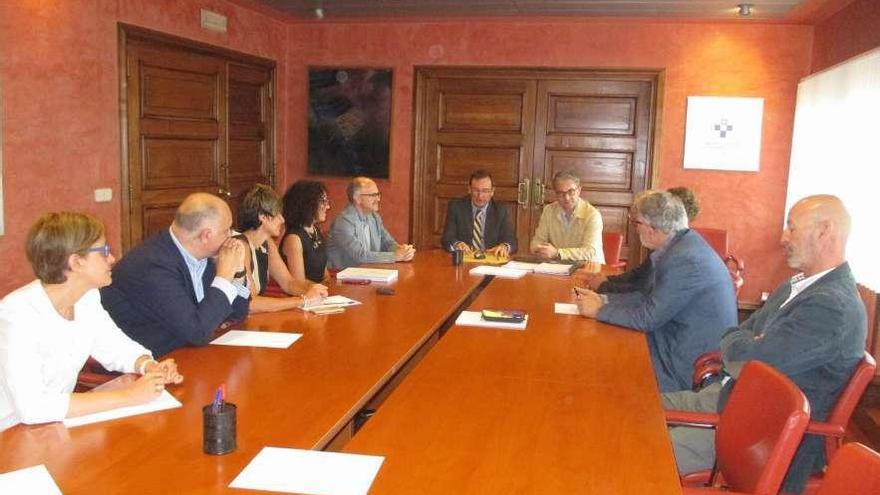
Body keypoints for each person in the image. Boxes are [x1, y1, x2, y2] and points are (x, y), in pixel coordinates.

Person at [662, 195, 865, 494]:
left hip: (762, 436)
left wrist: (749, 343)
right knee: (637, 408)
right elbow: (738, 333)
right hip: (730, 399)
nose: (783, 238)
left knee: (638, 450)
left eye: (791, 228)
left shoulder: (831, 306)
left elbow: (746, 359)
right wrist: (748, 342)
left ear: (824, 231)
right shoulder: (797, 285)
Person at [0, 212, 183, 431]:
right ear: (76, 262)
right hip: (11, 430)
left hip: (53, 425)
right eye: (104, 252)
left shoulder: (87, 297)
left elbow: (115, 346)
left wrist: (149, 366)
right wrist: (128, 396)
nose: (112, 258)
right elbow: (33, 407)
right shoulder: (17, 315)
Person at [574, 190, 737, 392]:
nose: (635, 229)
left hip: (684, 363)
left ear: (653, 228)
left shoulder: (685, 259)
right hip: (673, 340)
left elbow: (648, 318)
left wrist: (599, 310)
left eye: (637, 224)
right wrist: (603, 299)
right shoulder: (682, 246)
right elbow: (648, 297)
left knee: (604, 368)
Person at [100, 193, 250, 357]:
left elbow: (236, 314)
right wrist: (224, 276)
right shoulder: (152, 265)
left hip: (187, 355)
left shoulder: (206, 255)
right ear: (206, 235)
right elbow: (197, 332)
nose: (231, 236)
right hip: (146, 366)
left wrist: (238, 271)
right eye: (226, 230)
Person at [581, 187, 699, 294]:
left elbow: (643, 291)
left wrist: (603, 287)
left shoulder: (679, 254)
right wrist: (607, 279)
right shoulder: (664, 243)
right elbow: (639, 274)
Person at [235, 184, 328, 313]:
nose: (282, 219)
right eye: (277, 214)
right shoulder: (239, 247)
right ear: (262, 216)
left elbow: (288, 283)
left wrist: (316, 289)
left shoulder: (267, 243)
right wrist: (302, 300)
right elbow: (250, 303)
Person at [327, 177, 415, 269]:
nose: (378, 199)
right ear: (357, 198)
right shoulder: (344, 221)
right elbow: (360, 256)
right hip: (342, 276)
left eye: (378, 194)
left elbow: (387, 243)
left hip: (367, 273)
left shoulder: (374, 217)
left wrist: (401, 250)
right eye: (373, 195)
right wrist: (394, 256)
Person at [530, 170, 604, 262]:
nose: (566, 198)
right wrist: (539, 249)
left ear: (579, 190)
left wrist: (557, 253)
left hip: (589, 269)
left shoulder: (592, 215)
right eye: (560, 193)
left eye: (571, 191)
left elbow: (589, 251)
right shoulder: (549, 210)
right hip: (559, 268)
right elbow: (536, 242)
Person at [441, 169, 516, 258]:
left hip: (491, 262)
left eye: (485, 191)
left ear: (492, 191)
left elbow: (512, 241)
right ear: (469, 189)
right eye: (476, 190)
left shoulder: (501, 210)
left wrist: (505, 246)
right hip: (465, 260)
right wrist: (457, 244)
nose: (480, 196)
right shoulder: (456, 207)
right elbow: (447, 239)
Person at [280, 180, 331, 284]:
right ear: (308, 204)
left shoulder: (316, 231)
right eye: (323, 202)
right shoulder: (294, 239)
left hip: (320, 292)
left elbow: (324, 274)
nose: (328, 206)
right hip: (304, 295)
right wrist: (324, 290)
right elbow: (299, 282)